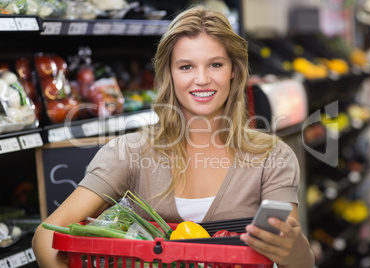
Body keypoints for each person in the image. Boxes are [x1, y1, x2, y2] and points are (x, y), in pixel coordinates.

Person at [32, 5, 314, 268]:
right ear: (169, 74)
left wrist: (293, 249)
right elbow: (45, 238)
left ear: (235, 71)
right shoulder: (131, 152)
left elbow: (301, 260)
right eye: (186, 66)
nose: (201, 79)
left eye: (215, 64)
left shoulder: (270, 156)